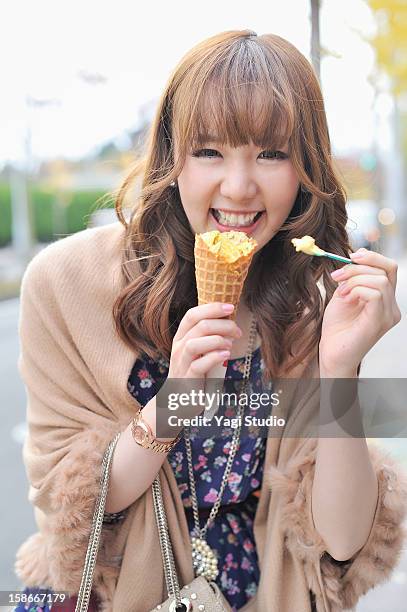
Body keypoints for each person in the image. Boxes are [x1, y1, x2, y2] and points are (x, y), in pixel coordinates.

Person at [13, 30, 406, 612]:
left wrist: (341, 369)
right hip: (120, 589)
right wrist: (176, 402)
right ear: (173, 157)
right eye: (210, 151)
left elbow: (342, 542)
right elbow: (70, 509)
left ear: (307, 167)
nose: (240, 187)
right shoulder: (66, 285)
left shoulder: (310, 298)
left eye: (272, 154)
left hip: (263, 592)